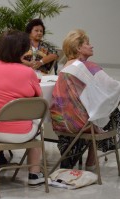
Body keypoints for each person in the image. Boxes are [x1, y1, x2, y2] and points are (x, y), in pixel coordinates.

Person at [0, 30, 45, 186]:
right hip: (17, 133)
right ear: (22, 50)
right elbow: (39, 99)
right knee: (38, 128)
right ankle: (34, 173)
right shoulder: (27, 72)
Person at [50, 29, 120, 170]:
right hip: (81, 124)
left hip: (61, 121)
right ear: (78, 48)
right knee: (113, 111)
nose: (92, 46)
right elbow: (113, 87)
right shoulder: (88, 66)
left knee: (100, 109)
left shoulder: (65, 67)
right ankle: (91, 161)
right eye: (87, 43)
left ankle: (90, 160)